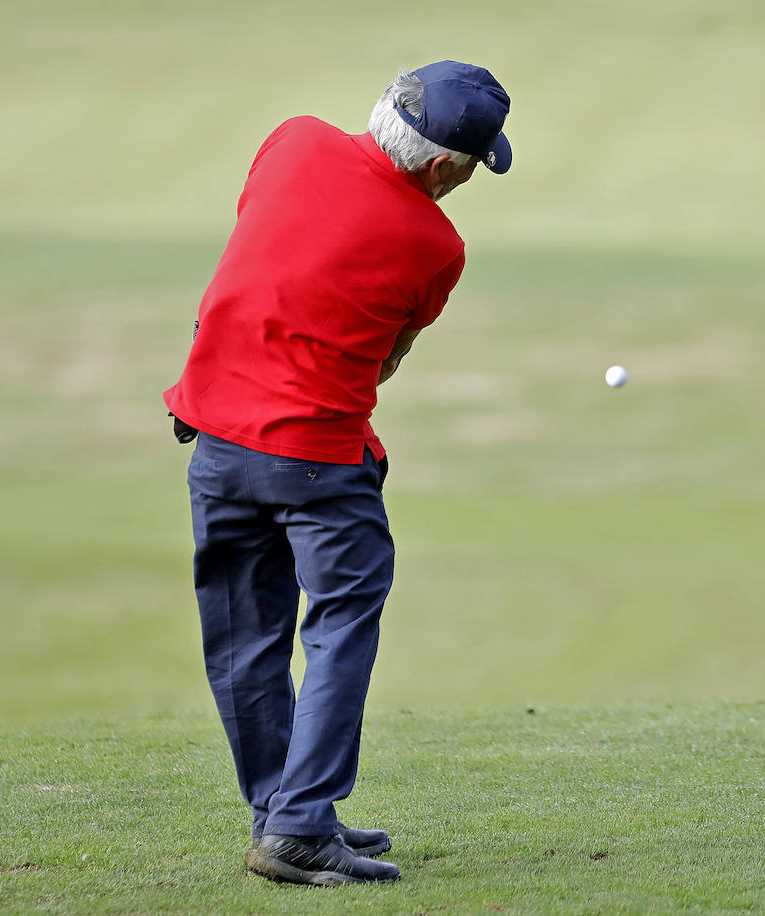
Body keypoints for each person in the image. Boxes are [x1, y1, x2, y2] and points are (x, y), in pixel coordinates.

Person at [163, 61, 511, 886]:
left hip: (214, 439)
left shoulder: (291, 142)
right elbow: (386, 362)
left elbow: (254, 255)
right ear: (441, 168)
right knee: (342, 621)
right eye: (468, 168)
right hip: (315, 458)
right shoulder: (436, 244)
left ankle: (285, 814)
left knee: (247, 640)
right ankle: (298, 828)